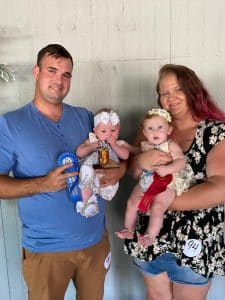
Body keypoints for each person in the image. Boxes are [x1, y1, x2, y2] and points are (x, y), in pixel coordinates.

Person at [0, 44, 126, 300]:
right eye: (52, 71)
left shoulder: (85, 117)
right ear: (36, 72)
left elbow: (111, 155)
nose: (59, 80)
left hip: (94, 243)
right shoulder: (10, 124)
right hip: (46, 250)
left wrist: (120, 171)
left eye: (66, 74)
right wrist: (42, 184)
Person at [124, 64, 225, 300]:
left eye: (177, 89)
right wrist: (140, 162)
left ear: (193, 90)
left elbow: (221, 186)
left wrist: (164, 202)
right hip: (149, 238)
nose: (171, 97)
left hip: (193, 241)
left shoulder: (215, 132)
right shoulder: (153, 126)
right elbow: (132, 171)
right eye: (164, 92)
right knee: (156, 297)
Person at [116, 108, 194, 247]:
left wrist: (168, 168)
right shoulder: (146, 144)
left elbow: (181, 161)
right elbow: (138, 152)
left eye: (160, 127)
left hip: (167, 183)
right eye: (150, 129)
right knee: (132, 202)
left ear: (169, 130)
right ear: (145, 133)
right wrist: (128, 147)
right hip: (146, 179)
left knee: (157, 207)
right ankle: (129, 229)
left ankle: (150, 236)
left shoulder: (170, 145)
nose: (155, 132)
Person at [75, 108, 130, 218]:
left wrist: (114, 145)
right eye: (103, 131)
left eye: (113, 131)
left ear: (119, 129)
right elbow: (79, 152)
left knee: (108, 169)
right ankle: (88, 203)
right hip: (93, 172)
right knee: (87, 171)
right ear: (95, 131)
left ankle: (95, 190)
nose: (109, 134)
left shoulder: (118, 144)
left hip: (108, 176)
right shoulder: (93, 140)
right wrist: (93, 146)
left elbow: (126, 155)